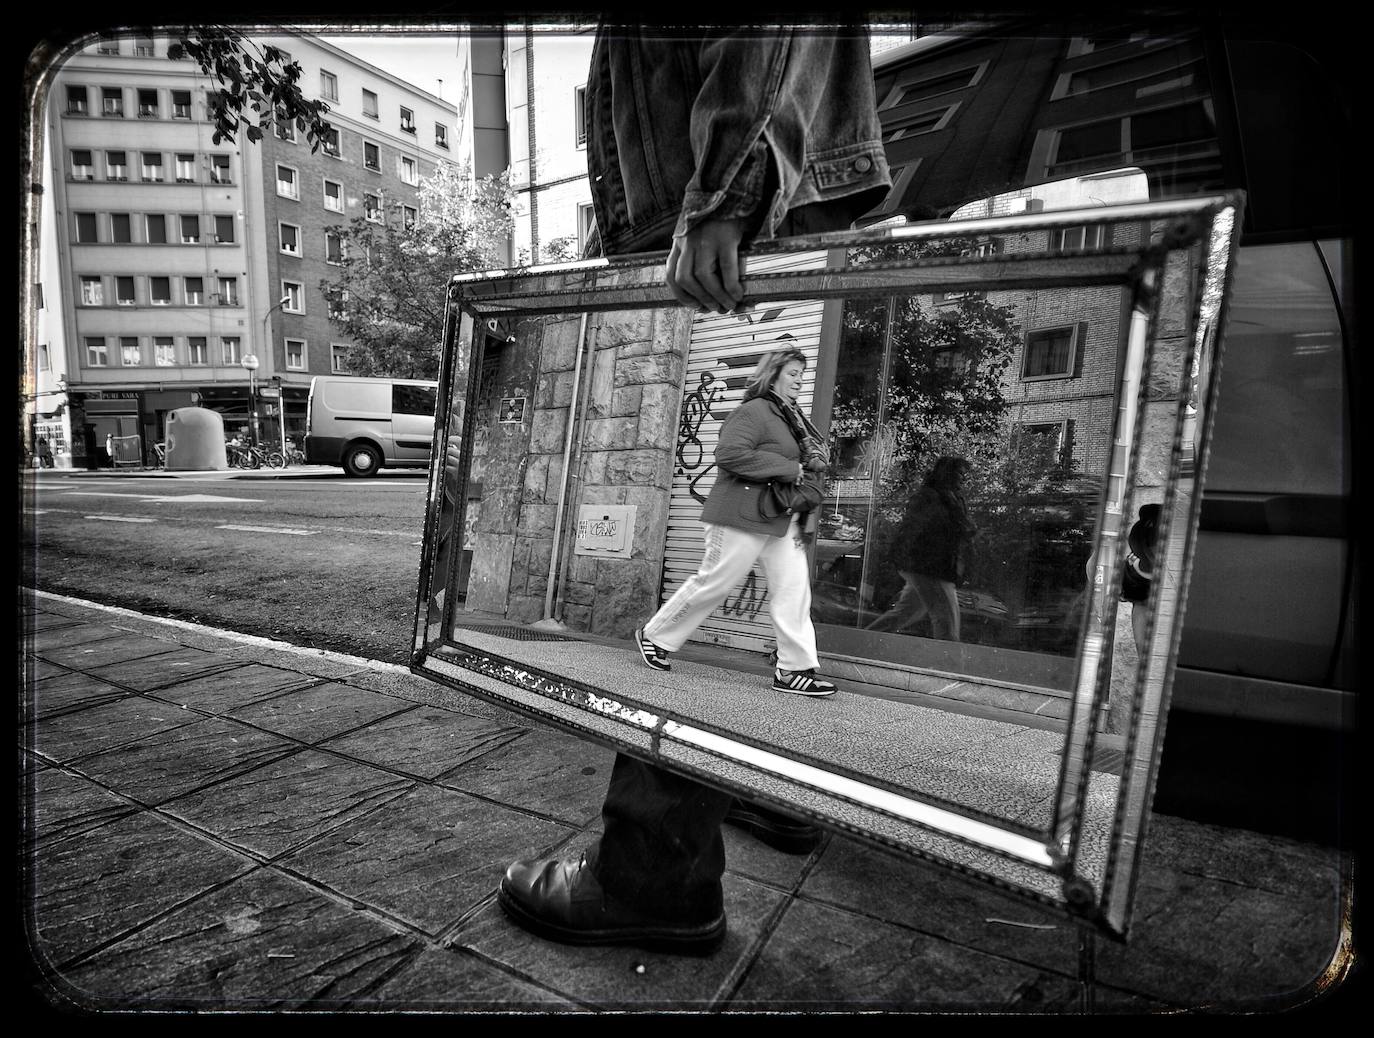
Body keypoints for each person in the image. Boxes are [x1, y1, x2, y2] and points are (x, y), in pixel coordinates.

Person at [497, 23, 890, 953]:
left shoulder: (773, 406)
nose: (792, 379)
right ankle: (749, 778)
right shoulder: (769, 411)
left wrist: (723, 193)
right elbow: (748, 458)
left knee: (748, 608)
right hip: (738, 209)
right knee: (727, 600)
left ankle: (657, 874)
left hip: (736, 205)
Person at [635, 346, 836, 695]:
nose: (800, 381)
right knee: (716, 582)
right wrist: (792, 469)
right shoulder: (755, 411)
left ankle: (792, 669)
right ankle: (655, 636)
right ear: (772, 374)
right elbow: (728, 455)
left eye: (802, 375)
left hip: (778, 515)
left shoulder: (791, 417)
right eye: (793, 374)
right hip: (739, 514)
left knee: (794, 590)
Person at [864, 456, 975, 640]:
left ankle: (862, 643)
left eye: (964, 474)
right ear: (947, 474)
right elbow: (912, 529)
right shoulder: (932, 498)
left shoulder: (950, 499)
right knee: (947, 623)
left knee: (905, 613)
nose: (963, 478)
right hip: (929, 567)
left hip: (928, 566)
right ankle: (948, 665)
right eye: (959, 473)